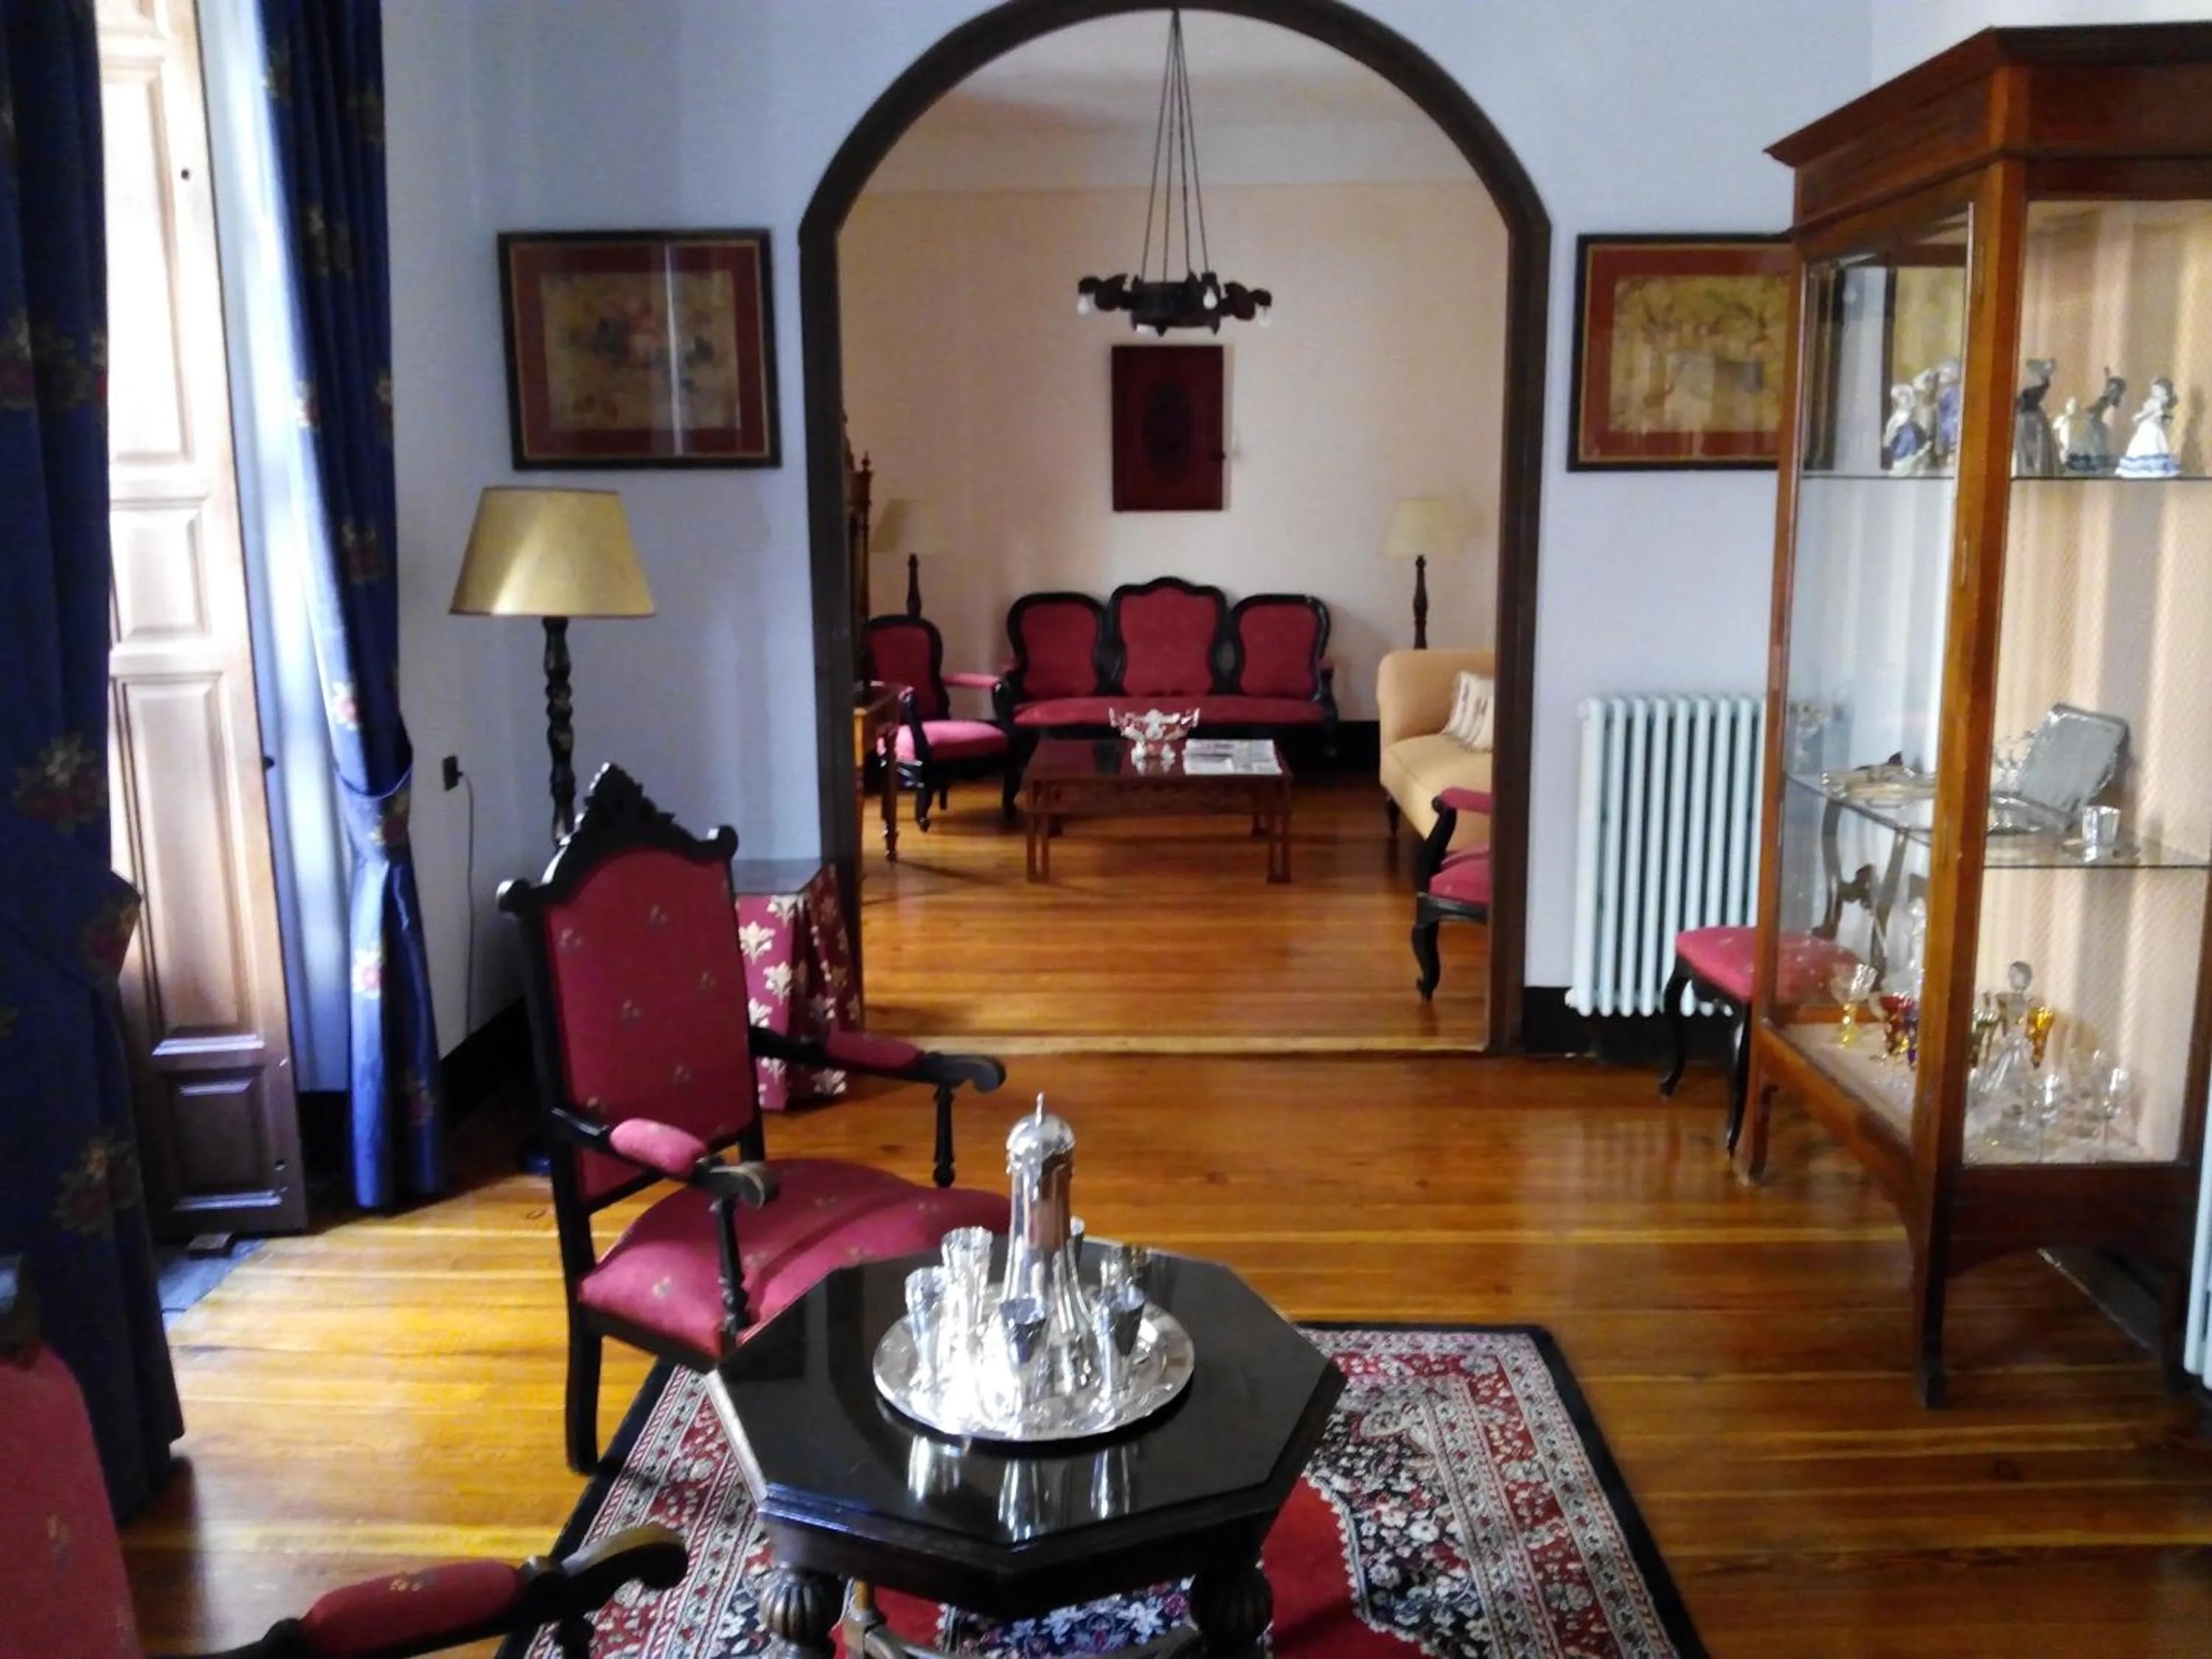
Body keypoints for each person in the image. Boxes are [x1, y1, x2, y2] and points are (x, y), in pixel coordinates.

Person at [2116, 377, 2180, 479]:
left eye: (2157, 389)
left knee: (2151, 447)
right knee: (2141, 447)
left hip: (2151, 429)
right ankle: (2143, 470)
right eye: (2153, 389)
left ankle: (2151, 470)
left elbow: (2148, 413)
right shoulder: (2154, 401)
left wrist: (2139, 416)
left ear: (2163, 391)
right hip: (2146, 427)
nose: (2154, 391)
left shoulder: (2158, 403)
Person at [1883, 382, 1930, 474]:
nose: (1896, 401)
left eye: (1900, 397)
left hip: (1904, 458)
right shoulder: (1897, 417)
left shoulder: (1909, 424)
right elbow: (1888, 439)